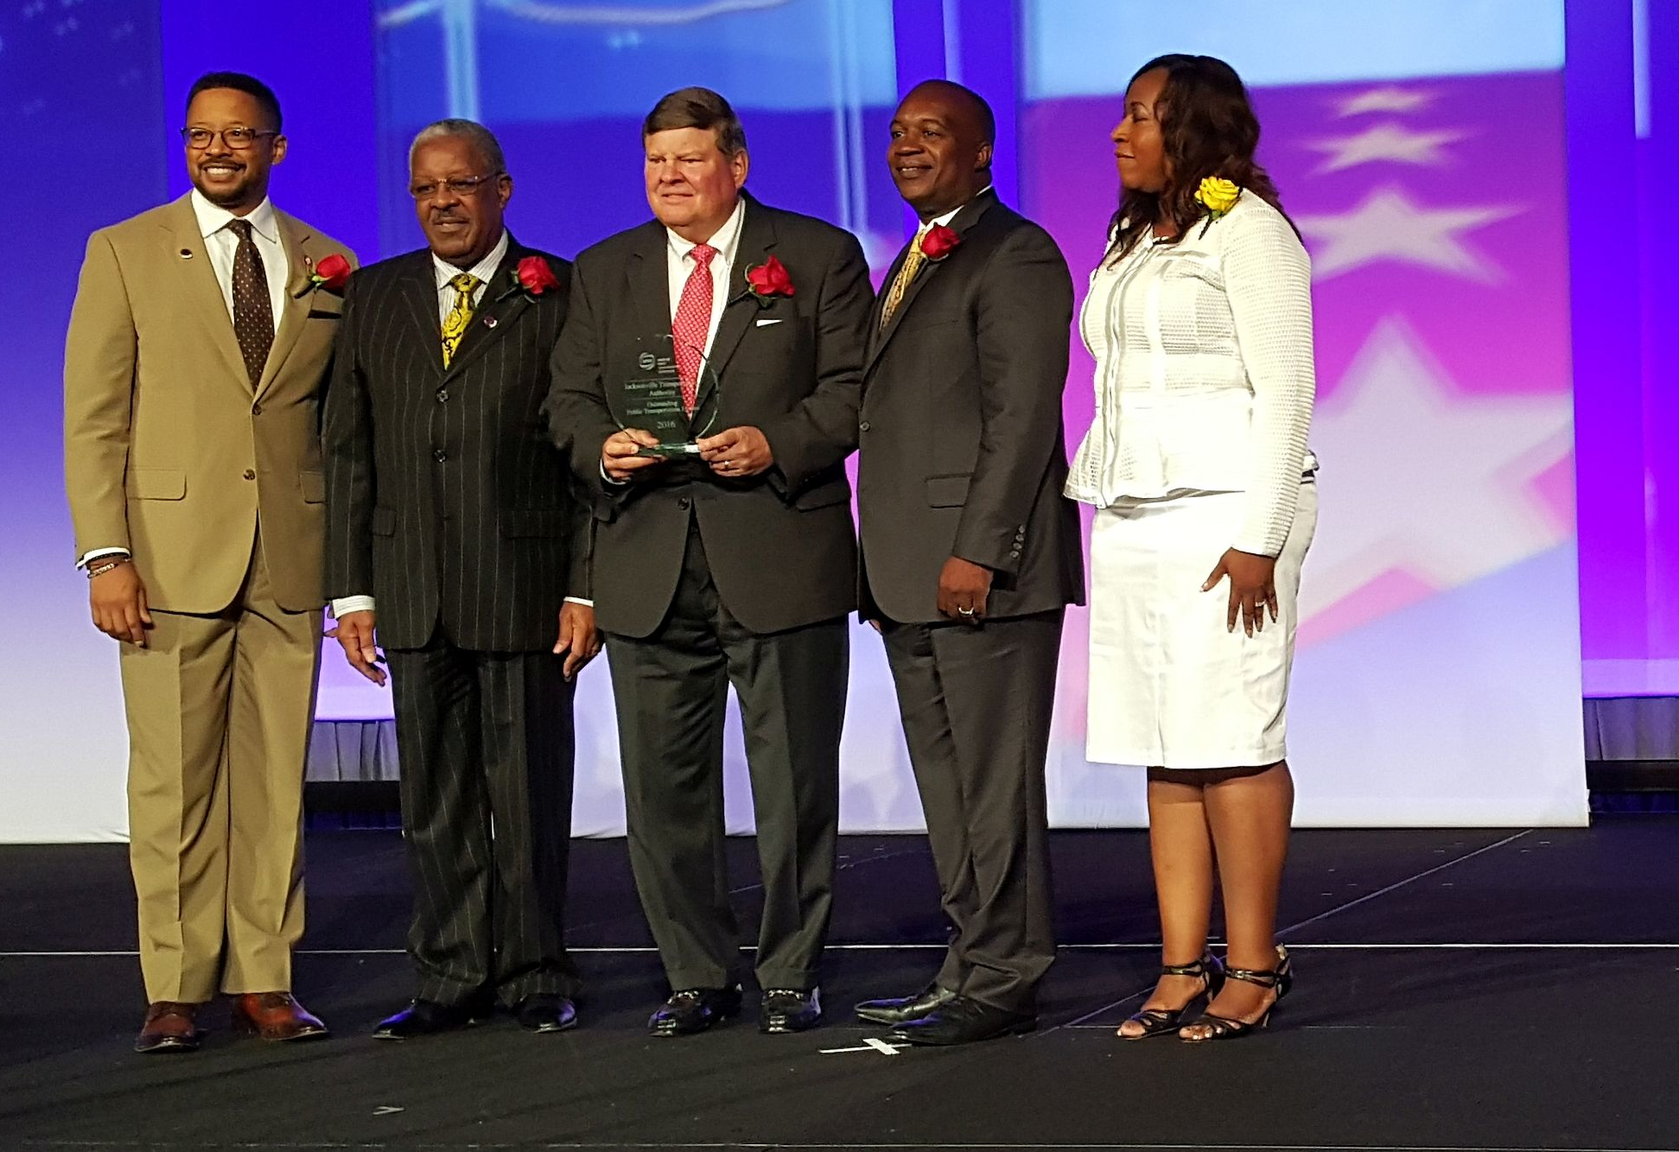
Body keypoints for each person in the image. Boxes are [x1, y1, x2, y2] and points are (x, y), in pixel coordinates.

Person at [544, 87, 872, 1036]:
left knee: (794, 782)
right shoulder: (606, 268)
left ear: (737, 163)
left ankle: (789, 971)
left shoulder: (814, 257)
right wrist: (600, 444)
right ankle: (694, 972)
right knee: (663, 790)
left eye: (689, 160)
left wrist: (780, 441)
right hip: (646, 559)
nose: (669, 178)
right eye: (656, 163)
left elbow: (853, 390)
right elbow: (566, 399)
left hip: (778, 549)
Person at [64, 72, 353, 1054]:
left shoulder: (323, 261)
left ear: (276, 145)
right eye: (200, 135)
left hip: (288, 558)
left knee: (275, 790)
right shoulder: (126, 250)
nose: (217, 149)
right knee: (174, 785)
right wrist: (108, 556)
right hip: (168, 561)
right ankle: (176, 989)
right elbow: (95, 418)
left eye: (238, 134)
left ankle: (266, 979)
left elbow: (331, 425)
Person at [324, 119, 596, 1037]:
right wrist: (351, 590)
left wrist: (584, 585)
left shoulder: (559, 291)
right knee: (432, 796)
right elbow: (348, 452)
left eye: (461, 184)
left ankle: (532, 971)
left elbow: (582, 457)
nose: (443, 202)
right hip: (410, 588)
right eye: (426, 189)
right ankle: (447, 972)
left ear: (502, 189)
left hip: (522, 583)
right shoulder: (374, 294)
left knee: (525, 794)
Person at [1066, 53, 1316, 1043]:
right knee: (1163, 745)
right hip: (1134, 515)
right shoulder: (1135, 239)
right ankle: (1182, 964)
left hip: (1229, 518)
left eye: (1141, 116)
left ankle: (1255, 963)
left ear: (1195, 128)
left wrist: (1258, 541)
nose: (1120, 133)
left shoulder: (1249, 233)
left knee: (1234, 734)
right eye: (1124, 115)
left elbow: (1286, 394)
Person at [852, 80, 1082, 1047]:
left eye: (931, 132)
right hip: (906, 572)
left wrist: (977, 550)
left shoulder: (1015, 252)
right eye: (899, 132)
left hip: (981, 572)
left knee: (995, 788)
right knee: (948, 791)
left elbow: (1023, 420)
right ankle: (968, 964)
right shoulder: (910, 257)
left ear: (981, 151)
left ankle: (1008, 975)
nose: (908, 145)